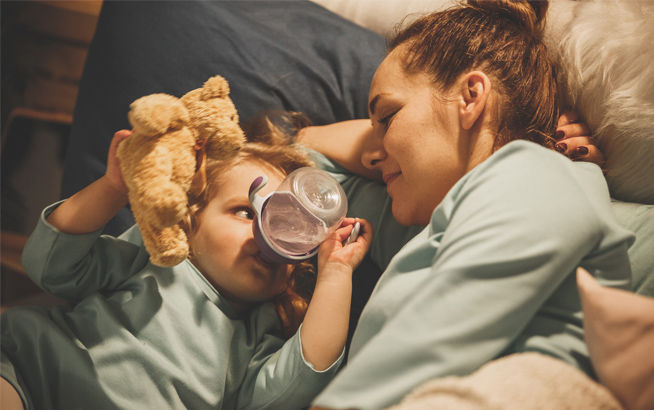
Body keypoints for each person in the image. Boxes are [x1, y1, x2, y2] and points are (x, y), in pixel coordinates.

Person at [293, 1, 634, 408]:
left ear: (471, 96)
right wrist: (384, 138)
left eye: (387, 116)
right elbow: (306, 159)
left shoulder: (537, 174)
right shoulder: (432, 224)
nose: (372, 153)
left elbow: (428, 356)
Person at [0, 130, 373, 410]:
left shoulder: (260, 335)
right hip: (33, 375)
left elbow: (300, 382)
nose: (269, 231)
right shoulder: (156, 258)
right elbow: (48, 264)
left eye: (292, 230)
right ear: (189, 222)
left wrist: (336, 272)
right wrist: (114, 189)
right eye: (246, 211)